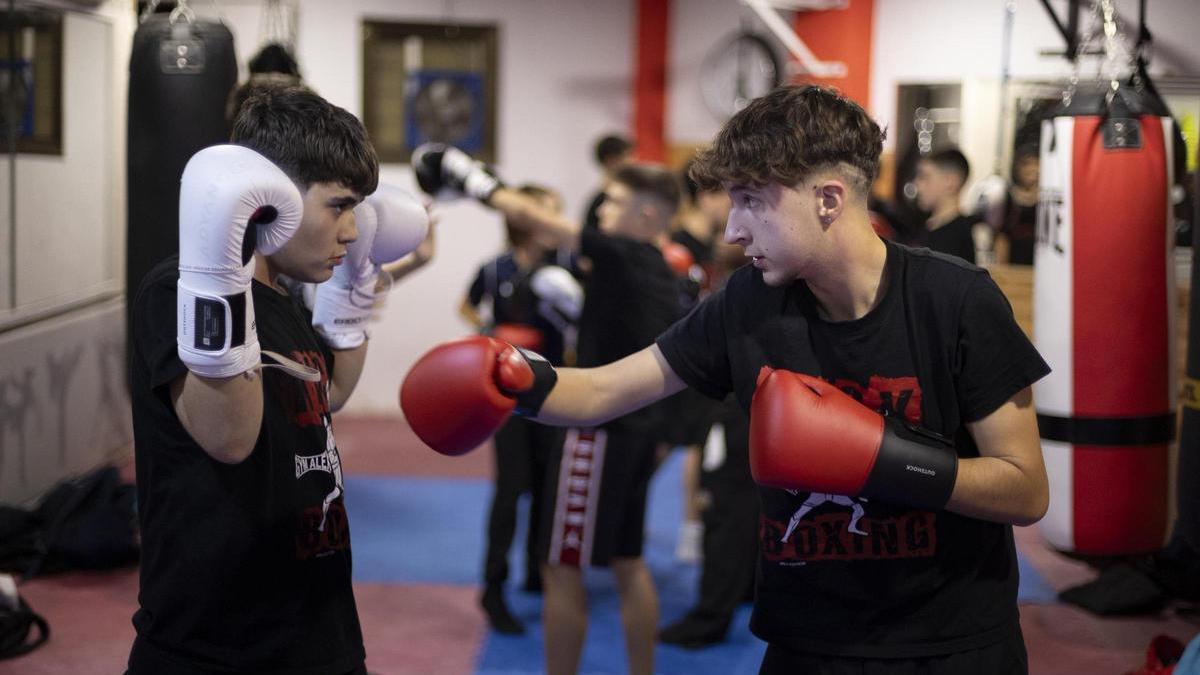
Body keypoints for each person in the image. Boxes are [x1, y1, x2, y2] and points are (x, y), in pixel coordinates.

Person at [404, 84, 1050, 675]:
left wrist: (880, 460)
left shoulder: (956, 299)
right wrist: (515, 382)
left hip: (952, 645)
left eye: (752, 203)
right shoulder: (749, 303)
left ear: (828, 198)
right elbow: (604, 389)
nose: (734, 230)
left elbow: (1024, 489)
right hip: (806, 642)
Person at [127, 85, 429, 675]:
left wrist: (354, 290)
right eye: (339, 206)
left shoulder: (283, 298)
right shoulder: (176, 294)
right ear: (265, 199)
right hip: (215, 645)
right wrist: (219, 268)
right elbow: (229, 438)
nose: (351, 230)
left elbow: (328, 394)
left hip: (319, 626)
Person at [409, 147, 682, 675]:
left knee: (559, 566)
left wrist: (473, 180)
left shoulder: (627, 253)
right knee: (627, 562)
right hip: (638, 428)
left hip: (596, 429)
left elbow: (536, 218)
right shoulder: (656, 268)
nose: (602, 208)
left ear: (646, 213)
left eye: (616, 201)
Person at [460, 183, 576, 634]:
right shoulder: (495, 269)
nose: (552, 222)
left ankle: (537, 572)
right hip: (508, 393)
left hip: (560, 389)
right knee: (510, 489)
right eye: (544, 213)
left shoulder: (566, 266)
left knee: (550, 487)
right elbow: (466, 305)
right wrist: (491, 328)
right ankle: (493, 587)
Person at [913, 147, 992, 264]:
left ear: (950, 182)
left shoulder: (964, 234)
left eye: (925, 177)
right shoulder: (921, 226)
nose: (917, 185)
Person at [993, 145, 1039, 265]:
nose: (1031, 169)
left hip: (1041, 261)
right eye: (1026, 164)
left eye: (1036, 164)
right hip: (1013, 260)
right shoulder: (1008, 196)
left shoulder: (1048, 198)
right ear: (1017, 167)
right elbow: (1001, 236)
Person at [582, 134, 634, 231]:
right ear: (611, 160)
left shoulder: (632, 194)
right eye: (628, 156)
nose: (632, 161)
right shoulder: (600, 202)